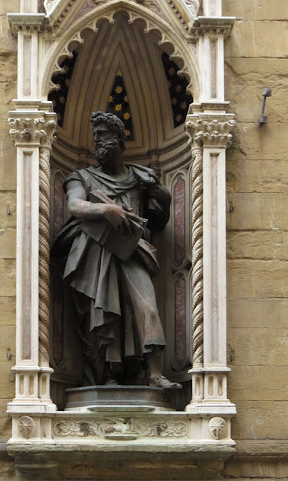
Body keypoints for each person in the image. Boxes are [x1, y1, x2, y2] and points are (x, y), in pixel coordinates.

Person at [52, 112, 180, 389]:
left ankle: (155, 374)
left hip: (133, 250)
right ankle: (106, 376)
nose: (97, 140)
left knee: (148, 307)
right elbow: (75, 206)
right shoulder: (82, 177)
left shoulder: (139, 178)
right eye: (95, 134)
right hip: (96, 252)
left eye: (103, 134)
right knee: (103, 315)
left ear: (119, 138)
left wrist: (161, 193)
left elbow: (160, 219)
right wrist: (105, 209)